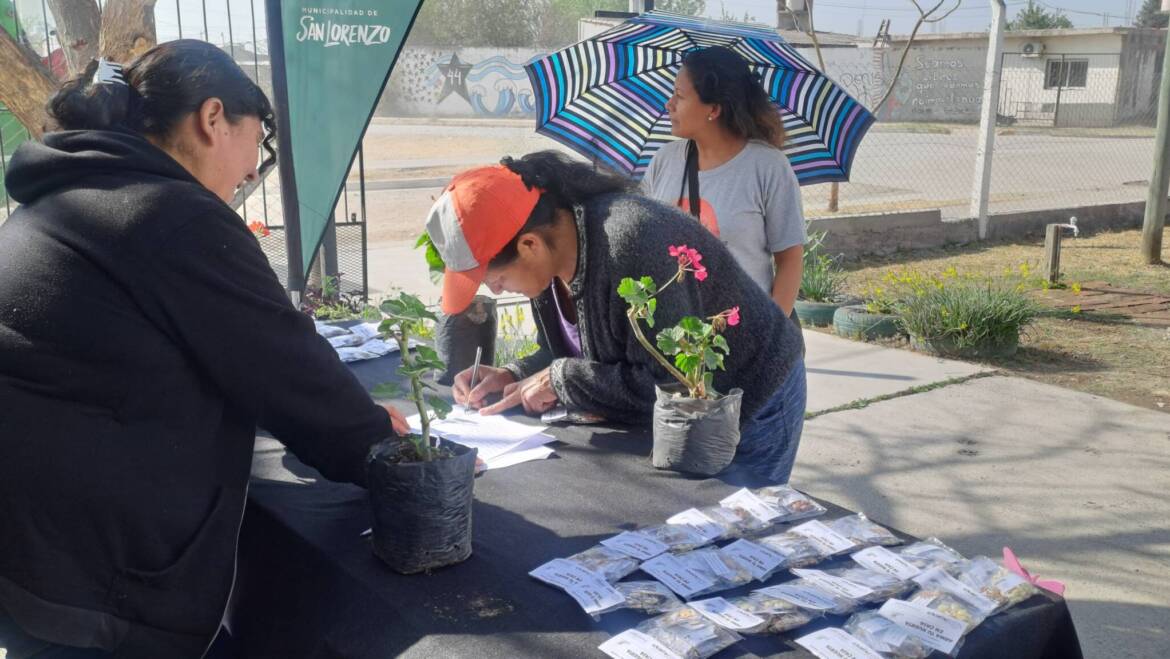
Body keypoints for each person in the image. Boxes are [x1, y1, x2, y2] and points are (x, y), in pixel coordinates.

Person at [0, 41, 408, 658]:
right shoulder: (170, 215)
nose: (252, 170)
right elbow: (284, 366)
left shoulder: (66, 195)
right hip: (101, 586)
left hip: (39, 557)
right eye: (259, 141)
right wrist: (387, 449)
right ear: (213, 118)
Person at [437, 151, 804, 483]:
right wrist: (513, 374)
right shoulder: (547, 264)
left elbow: (673, 382)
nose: (497, 291)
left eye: (496, 280)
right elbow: (565, 350)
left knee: (739, 537)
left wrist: (562, 379)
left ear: (528, 245)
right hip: (685, 415)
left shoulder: (630, 240)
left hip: (750, 396)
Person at [640, 45, 808, 469]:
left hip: (758, 362)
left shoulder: (767, 168)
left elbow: (790, 259)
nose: (669, 103)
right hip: (687, 367)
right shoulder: (665, 161)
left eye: (680, 95)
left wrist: (766, 341)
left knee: (754, 500)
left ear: (713, 108)